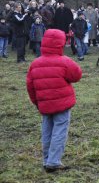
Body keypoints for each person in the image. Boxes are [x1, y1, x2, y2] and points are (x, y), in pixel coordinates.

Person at [26, 29, 82, 173]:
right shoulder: (65, 61)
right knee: (59, 131)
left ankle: (46, 160)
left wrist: (37, 103)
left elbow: (30, 86)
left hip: (44, 104)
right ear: (61, 44)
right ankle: (54, 161)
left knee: (47, 131)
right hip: (62, 104)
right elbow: (77, 76)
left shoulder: (35, 63)